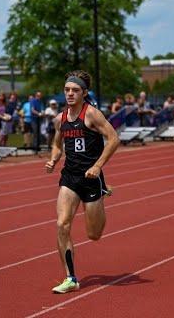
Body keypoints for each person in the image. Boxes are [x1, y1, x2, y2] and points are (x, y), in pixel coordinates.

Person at [45, 70, 120, 293]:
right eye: (67, 90)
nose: (70, 94)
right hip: (69, 178)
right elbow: (57, 144)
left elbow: (114, 139)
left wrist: (97, 166)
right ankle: (70, 278)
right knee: (62, 224)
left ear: (84, 93)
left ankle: (102, 193)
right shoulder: (60, 119)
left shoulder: (92, 114)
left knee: (94, 234)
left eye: (75, 90)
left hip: (91, 179)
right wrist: (53, 159)